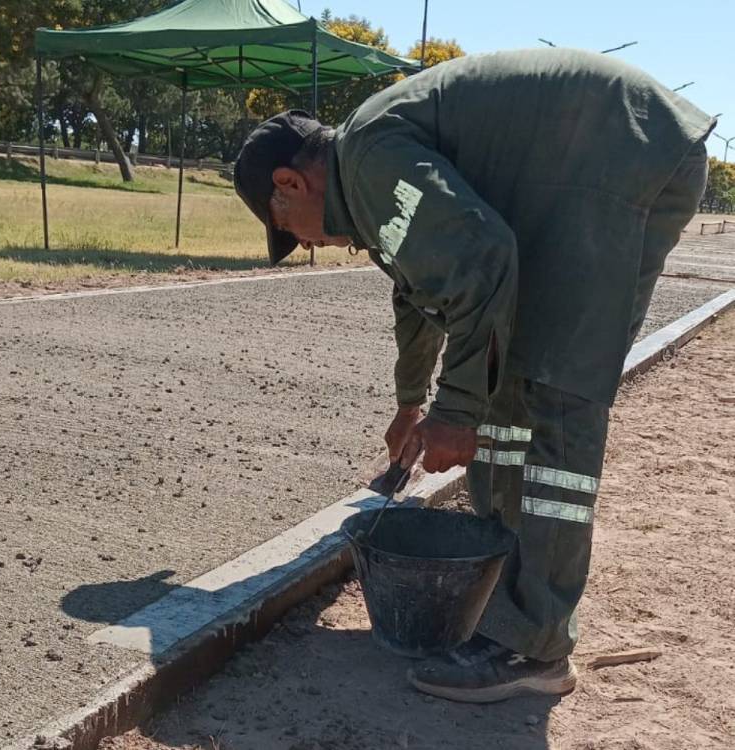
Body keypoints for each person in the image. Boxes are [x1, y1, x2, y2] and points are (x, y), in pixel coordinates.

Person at [232, 48, 714, 703]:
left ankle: (534, 648)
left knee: (553, 392)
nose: (305, 243)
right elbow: (422, 290)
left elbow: (482, 259)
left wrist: (456, 410)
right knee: (511, 390)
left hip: (615, 158)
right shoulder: (368, 173)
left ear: (291, 183)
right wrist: (412, 402)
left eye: (287, 227)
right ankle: (507, 606)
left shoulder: (370, 160)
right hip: (613, 153)